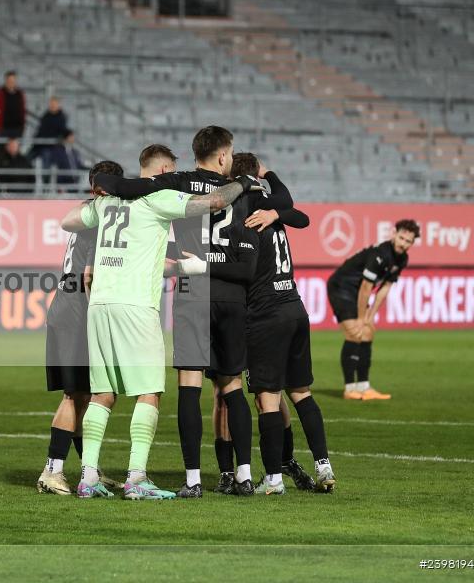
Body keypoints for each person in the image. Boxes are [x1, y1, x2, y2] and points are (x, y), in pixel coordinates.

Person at [94, 128, 303, 498]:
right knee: (232, 386)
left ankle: (193, 480)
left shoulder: (176, 182)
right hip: (233, 299)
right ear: (224, 156)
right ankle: (241, 475)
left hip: (192, 294)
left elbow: (122, 187)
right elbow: (286, 204)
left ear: (196, 154)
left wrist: (100, 181)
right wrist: (263, 177)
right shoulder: (244, 189)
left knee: (188, 388)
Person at [60, 156, 258, 500]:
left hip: (100, 305)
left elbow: (68, 221)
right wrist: (245, 181)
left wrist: (99, 201)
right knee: (149, 391)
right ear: (165, 171)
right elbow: (216, 201)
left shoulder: (107, 203)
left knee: (102, 392)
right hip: (136, 305)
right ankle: (136, 478)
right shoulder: (159, 198)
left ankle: (88, 477)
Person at [232, 152, 337, 493]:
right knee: (302, 393)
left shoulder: (243, 208)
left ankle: (274, 478)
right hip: (294, 307)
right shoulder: (274, 206)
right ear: (258, 174)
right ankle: (324, 467)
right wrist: (272, 183)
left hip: (266, 314)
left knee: (267, 398)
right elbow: (302, 216)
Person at [37, 160, 123, 496]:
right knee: (76, 395)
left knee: (83, 394)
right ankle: (52, 470)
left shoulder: (87, 212)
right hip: (78, 310)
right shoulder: (102, 217)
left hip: (65, 306)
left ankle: (90, 470)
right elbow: (89, 276)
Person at [328, 219, 420, 401]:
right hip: (342, 288)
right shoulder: (381, 254)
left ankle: (364, 387)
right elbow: (365, 287)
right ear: (394, 234)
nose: (403, 243)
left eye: (408, 241)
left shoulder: (402, 259)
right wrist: (362, 318)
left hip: (357, 292)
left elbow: (384, 288)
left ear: (412, 243)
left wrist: (370, 317)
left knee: (368, 332)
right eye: (401, 238)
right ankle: (349, 389)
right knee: (355, 332)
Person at [31, 96, 67, 160]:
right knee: (27, 157)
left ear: (58, 105)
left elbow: (61, 132)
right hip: (39, 145)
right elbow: (41, 130)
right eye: (51, 103)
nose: (52, 105)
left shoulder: (61, 118)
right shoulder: (45, 116)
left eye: (54, 104)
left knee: (46, 156)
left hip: (52, 147)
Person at [0, 71, 25, 141]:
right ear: (6, 80)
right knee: (2, 149)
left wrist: (22, 125)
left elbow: (22, 110)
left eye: (13, 80)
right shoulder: (0, 93)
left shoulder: (20, 93)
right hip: (3, 128)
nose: (11, 82)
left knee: (15, 149)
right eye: (9, 80)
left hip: (17, 128)